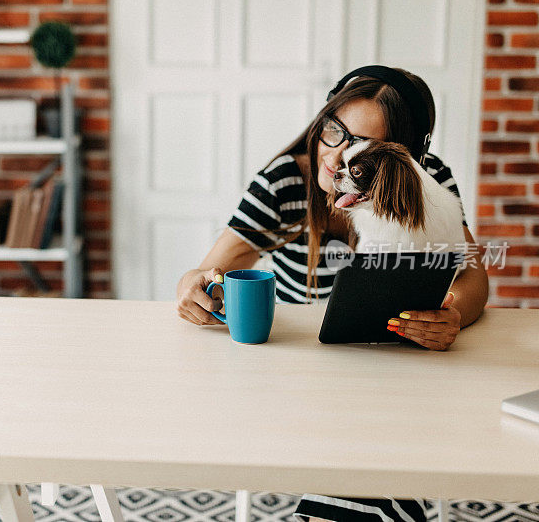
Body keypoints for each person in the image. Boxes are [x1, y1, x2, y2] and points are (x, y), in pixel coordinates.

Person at [175, 66, 489, 522]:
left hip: (401, 376)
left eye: (360, 146)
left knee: (377, 448)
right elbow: (211, 268)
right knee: (370, 462)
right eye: (333, 130)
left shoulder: (426, 179)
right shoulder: (285, 181)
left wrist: (452, 313)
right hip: (304, 381)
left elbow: (473, 275)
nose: (335, 156)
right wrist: (192, 287)